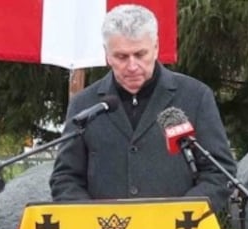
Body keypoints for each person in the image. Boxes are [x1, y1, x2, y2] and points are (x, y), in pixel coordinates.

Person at [49, 4, 237, 213]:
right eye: (121, 57)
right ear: (106, 54)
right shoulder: (84, 104)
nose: (132, 66)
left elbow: (220, 172)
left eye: (140, 54)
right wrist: (92, 218)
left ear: (156, 47)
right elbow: (65, 178)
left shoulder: (195, 96)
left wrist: (182, 214)